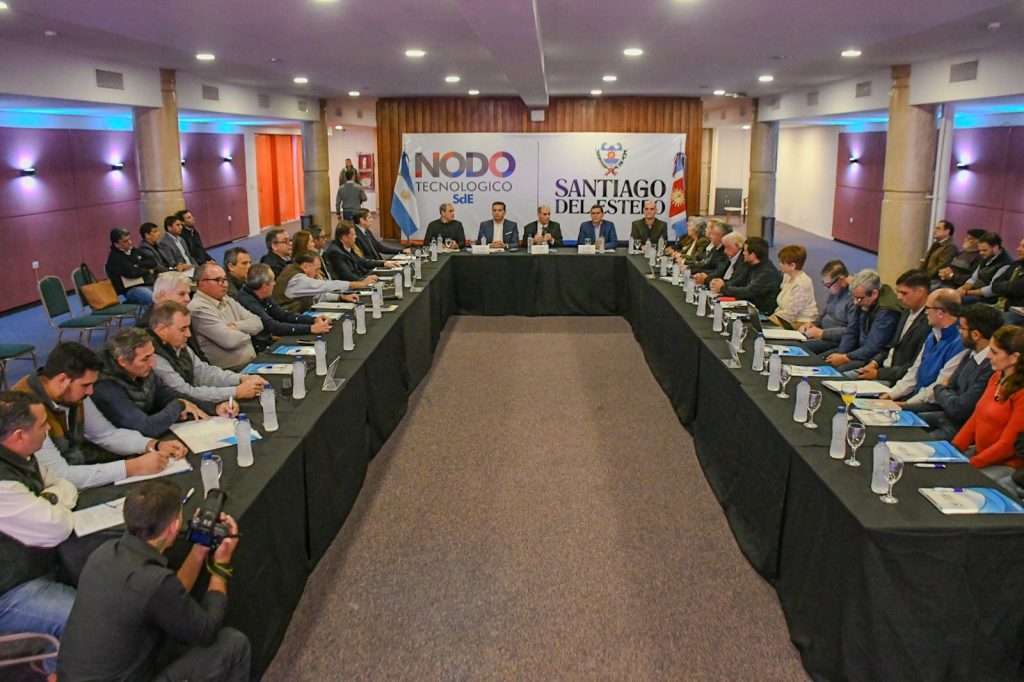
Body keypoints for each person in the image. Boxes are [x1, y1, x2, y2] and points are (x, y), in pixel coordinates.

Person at [57, 479, 250, 681]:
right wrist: (221, 565)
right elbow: (207, 630)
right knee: (234, 644)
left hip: (73, 675)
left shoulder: (104, 553)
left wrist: (200, 547)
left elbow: (167, 598)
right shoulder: (154, 582)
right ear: (175, 526)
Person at [12, 343, 186, 490]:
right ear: (62, 380)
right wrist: (132, 467)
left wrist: (153, 444)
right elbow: (61, 475)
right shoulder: (26, 409)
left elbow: (106, 435)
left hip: (78, 467)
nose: (91, 391)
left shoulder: (73, 393)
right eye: (86, 385)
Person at [0, 392, 77, 664]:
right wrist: (52, 501)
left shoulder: (19, 457)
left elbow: (64, 485)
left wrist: (48, 499)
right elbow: (58, 527)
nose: (49, 430)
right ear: (19, 435)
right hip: (10, 591)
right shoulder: (3, 484)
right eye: (43, 424)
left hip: (33, 567)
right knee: (84, 617)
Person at [92, 327, 226, 437]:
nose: (153, 363)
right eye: (145, 359)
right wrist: (179, 405)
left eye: (152, 355)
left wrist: (214, 408)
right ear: (123, 361)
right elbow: (146, 428)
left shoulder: (142, 370)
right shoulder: (106, 387)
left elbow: (168, 394)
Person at [908, 303, 1000, 440]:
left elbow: (960, 409)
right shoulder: (970, 354)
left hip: (961, 427)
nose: (959, 331)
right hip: (946, 415)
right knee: (905, 416)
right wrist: (945, 390)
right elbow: (951, 386)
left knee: (913, 439)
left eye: (961, 327)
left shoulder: (991, 368)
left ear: (975, 334)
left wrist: (940, 388)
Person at [148, 301, 264, 404]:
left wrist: (240, 378)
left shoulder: (178, 344)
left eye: (188, 328)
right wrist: (236, 392)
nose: (188, 334)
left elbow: (204, 373)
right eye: (182, 329)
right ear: (162, 330)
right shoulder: (152, 356)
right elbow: (184, 393)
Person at [952, 325, 1024, 489]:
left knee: (958, 482)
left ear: (1014, 357)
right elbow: (975, 419)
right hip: (980, 453)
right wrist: (952, 450)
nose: (988, 356)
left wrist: (970, 464)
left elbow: (1007, 446)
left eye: (994, 352)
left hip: (1005, 464)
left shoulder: (1021, 394)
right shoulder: (996, 377)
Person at [881, 289, 965, 403]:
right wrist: (891, 394)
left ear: (940, 313)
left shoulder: (960, 343)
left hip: (933, 404)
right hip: (916, 397)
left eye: (927, 308)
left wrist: (906, 404)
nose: (925, 312)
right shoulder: (932, 335)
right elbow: (914, 372)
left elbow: (939, 386)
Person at [855, 270, 932, 383]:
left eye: (904, 293)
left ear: (920, 292)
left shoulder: (929, 322)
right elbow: (891, 345)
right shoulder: (906, 311)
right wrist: (874, 363)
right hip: (881, 367)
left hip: (895, 379)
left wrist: (878, 374)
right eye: (898, 292)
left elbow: (913, 366)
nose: (899, 297)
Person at [236, 264, 333, 352]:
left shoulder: (263, 295)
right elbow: (273, 327)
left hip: (268, 340)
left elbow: (284, 315)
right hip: (259, 347)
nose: (274, 284)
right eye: (272, 281)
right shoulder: (248, 302)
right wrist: (310, 328)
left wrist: (313, 320)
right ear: (264, 286)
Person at [188, 264, 264, 370]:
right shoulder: (198, 308)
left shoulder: (227, 299)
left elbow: (258, 323)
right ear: (201, 283)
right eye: (218, 280)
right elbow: (230, 341)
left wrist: (235, 326)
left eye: (225, 279)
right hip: (230, 372)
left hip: (252, 364)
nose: (225, 284)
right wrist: (249, 333)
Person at [824, 269, 902, 372]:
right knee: (823, 361)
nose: (855, 302)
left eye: (859, 298)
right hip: (859, 349)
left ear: (874, 294)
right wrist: (840, 355)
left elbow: (873, 347)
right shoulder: (862, 298)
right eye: (853, 297)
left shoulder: (887, 310)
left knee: (839, 371)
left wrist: (845, 358)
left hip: (874, 358)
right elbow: (852, 330)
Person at [709, 236, 782, 314]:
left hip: (761, 312)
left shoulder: (767, 273)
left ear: (753, 255)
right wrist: (719, 283)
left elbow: (748, 292)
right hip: (748, 306)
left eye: (745, 251)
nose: (743, 253)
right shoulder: (749, 265)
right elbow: (737, 281)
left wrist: (723, 288)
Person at [274, 250, 363, 312]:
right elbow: (324, 286)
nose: (318, 273)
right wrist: (356, 284)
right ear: (305, 266)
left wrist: (341, 297)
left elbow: (317, 295)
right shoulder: (296, 279)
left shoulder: (294, 271)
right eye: (316, 269)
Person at [800, 260, 855, 354]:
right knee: (795, 343)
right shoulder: (835, 291)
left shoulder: (854, 299)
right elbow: (825, 313)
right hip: (823, 335)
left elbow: (851, 331)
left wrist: (823, 333)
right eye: (824, 284)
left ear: (841, 280)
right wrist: (813, 324)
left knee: (801, 349)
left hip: (836, 341)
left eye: (828, 285)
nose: (826, 288)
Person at [324, 223, 397, 283]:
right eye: (353, 235)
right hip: (351, 287)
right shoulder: (335, 253)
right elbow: (347, 276)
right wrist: (364, 280)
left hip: (359, 279)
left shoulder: (348, 246)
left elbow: (362, 261)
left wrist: (384, 263)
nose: (356, 237)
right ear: (344, 238)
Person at [769, 245, 817, 329]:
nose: (780, 264)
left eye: (783, 263)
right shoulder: (787, 276)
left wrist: (771, 319)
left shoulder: (802, 283)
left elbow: (790, 313)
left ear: (792, 266)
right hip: (786, 318)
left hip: (801, 323)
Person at [105, 227, 155, 307]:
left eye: (129, 239)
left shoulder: (133, 250)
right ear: (116, 244)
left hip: (146, 283)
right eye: (125, 241)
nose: (130, 242)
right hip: (131, 289)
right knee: (154, 299)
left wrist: (138, 264)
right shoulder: (115, 258)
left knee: (168, 293)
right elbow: (132, 273)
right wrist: (148, 270)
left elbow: (152, 261)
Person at [956, 231, 1011, 304]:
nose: (981, 253)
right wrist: (961, 289)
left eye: (984, 250)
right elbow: (974, 278)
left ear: (996, 247)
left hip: (989, 299)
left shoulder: (1006, 264)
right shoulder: (986, 256)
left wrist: (966, 292)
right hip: (975, 291)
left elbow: (991, 290)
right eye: (980, 250)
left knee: (957, 300)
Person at [991, 237, 1024, 325]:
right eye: (1019, 246)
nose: (1018, 249)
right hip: (1002, 305)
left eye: (1023, 247)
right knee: (976, 313)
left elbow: (1017, 288)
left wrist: (1006, 286)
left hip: (1018, 311)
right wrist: (1009, 286)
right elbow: (995, 285)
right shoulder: (1016, 264)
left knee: (1004, 320)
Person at [921, 220, 958, 284]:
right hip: (927, 278)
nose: (935, 231)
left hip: (938, 281)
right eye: (935, 228)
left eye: (938, 228)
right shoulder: (936, 244)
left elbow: (941, 267)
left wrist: (925, 278)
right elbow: (925, 261)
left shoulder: (951, 247)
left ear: (947, 231)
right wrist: (918, 275)